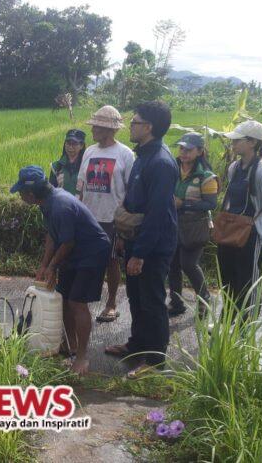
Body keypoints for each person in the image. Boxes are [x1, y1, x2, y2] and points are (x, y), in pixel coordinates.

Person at [12, 166, 110, 375]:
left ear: (31, 195)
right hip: (74, 252)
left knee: (77, 302)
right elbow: (52, 235)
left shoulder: (60, 206)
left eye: (21, 192)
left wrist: (53, 266)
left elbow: (67, 243)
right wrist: (44, 265)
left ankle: (82, 357)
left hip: (91, 252)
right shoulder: (46, 203)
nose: (19, 195)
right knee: (63, 298)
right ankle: (70, 347)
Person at [105, 100, 178, 379]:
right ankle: (136, 345)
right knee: (136, 296)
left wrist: (140, 254)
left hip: (153, 247)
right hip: (135, 239)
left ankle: (155, 361)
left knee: (153, 301)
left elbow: (157, 214)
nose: (130, 126)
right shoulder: (143, 156)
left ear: (148, 127)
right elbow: (134, 200)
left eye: (134, 122)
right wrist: (124, 238)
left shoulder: (161, 163)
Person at [218, 120, 262, 323]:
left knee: (248, 280)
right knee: (227, 277)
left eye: (238, 140)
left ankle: (247, 326)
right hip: (230, 230)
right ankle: (227, 320)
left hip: (251, 233)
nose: (233, 144)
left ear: (253, 142)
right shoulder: (234, 167)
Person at [77, 105, 135, 324]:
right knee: (89, 259)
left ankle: (111, 303)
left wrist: (125, 221)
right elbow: (81, 186)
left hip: (112, 218)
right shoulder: (90, 152)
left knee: (111, 262)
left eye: (97, 127)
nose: (92, 130)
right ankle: (87, 298)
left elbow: (131, 190)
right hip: (89, 216)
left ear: (110, 130)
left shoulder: (125, 154)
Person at [167, 133, 217, 318]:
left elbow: (211, 204)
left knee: (188, 264)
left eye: (189, 149)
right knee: (172, 264)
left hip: (195, 226)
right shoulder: (173, 169)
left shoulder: (206, 176)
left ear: (200, 151)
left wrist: (184, 204)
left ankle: (204, 299)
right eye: (181, 148)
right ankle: (176, 302)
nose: (184, 152)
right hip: (173, 223)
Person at [49, 129, 86, 195]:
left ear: (81, 146)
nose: (70, 147)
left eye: (74, 144)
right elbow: (51, 192)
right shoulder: (56, 166)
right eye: (68, 143)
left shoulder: (86, 166)